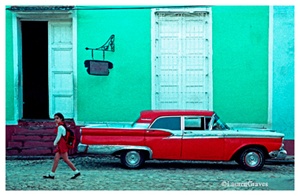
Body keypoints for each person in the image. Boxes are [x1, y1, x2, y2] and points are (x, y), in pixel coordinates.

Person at [43, 112, 80, 179]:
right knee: (57, 159)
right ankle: (52, 174)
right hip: (62, 144)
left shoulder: (60, 127)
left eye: (57, 118)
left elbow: (59, 136)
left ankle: (76, 171)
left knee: (65, 159)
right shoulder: (62, 126)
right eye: (55, 118)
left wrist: (55, 142)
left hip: (62, 145)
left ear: (61, 119)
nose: (56, 120)